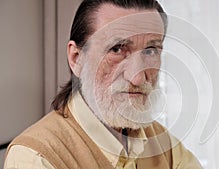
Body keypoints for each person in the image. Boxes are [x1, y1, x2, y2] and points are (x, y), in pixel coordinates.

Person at [4, 0, 203, 168]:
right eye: (117, 49)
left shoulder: (162, 143)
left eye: (150, 51)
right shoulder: (35, 157)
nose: (138, 78)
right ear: (76, 59)